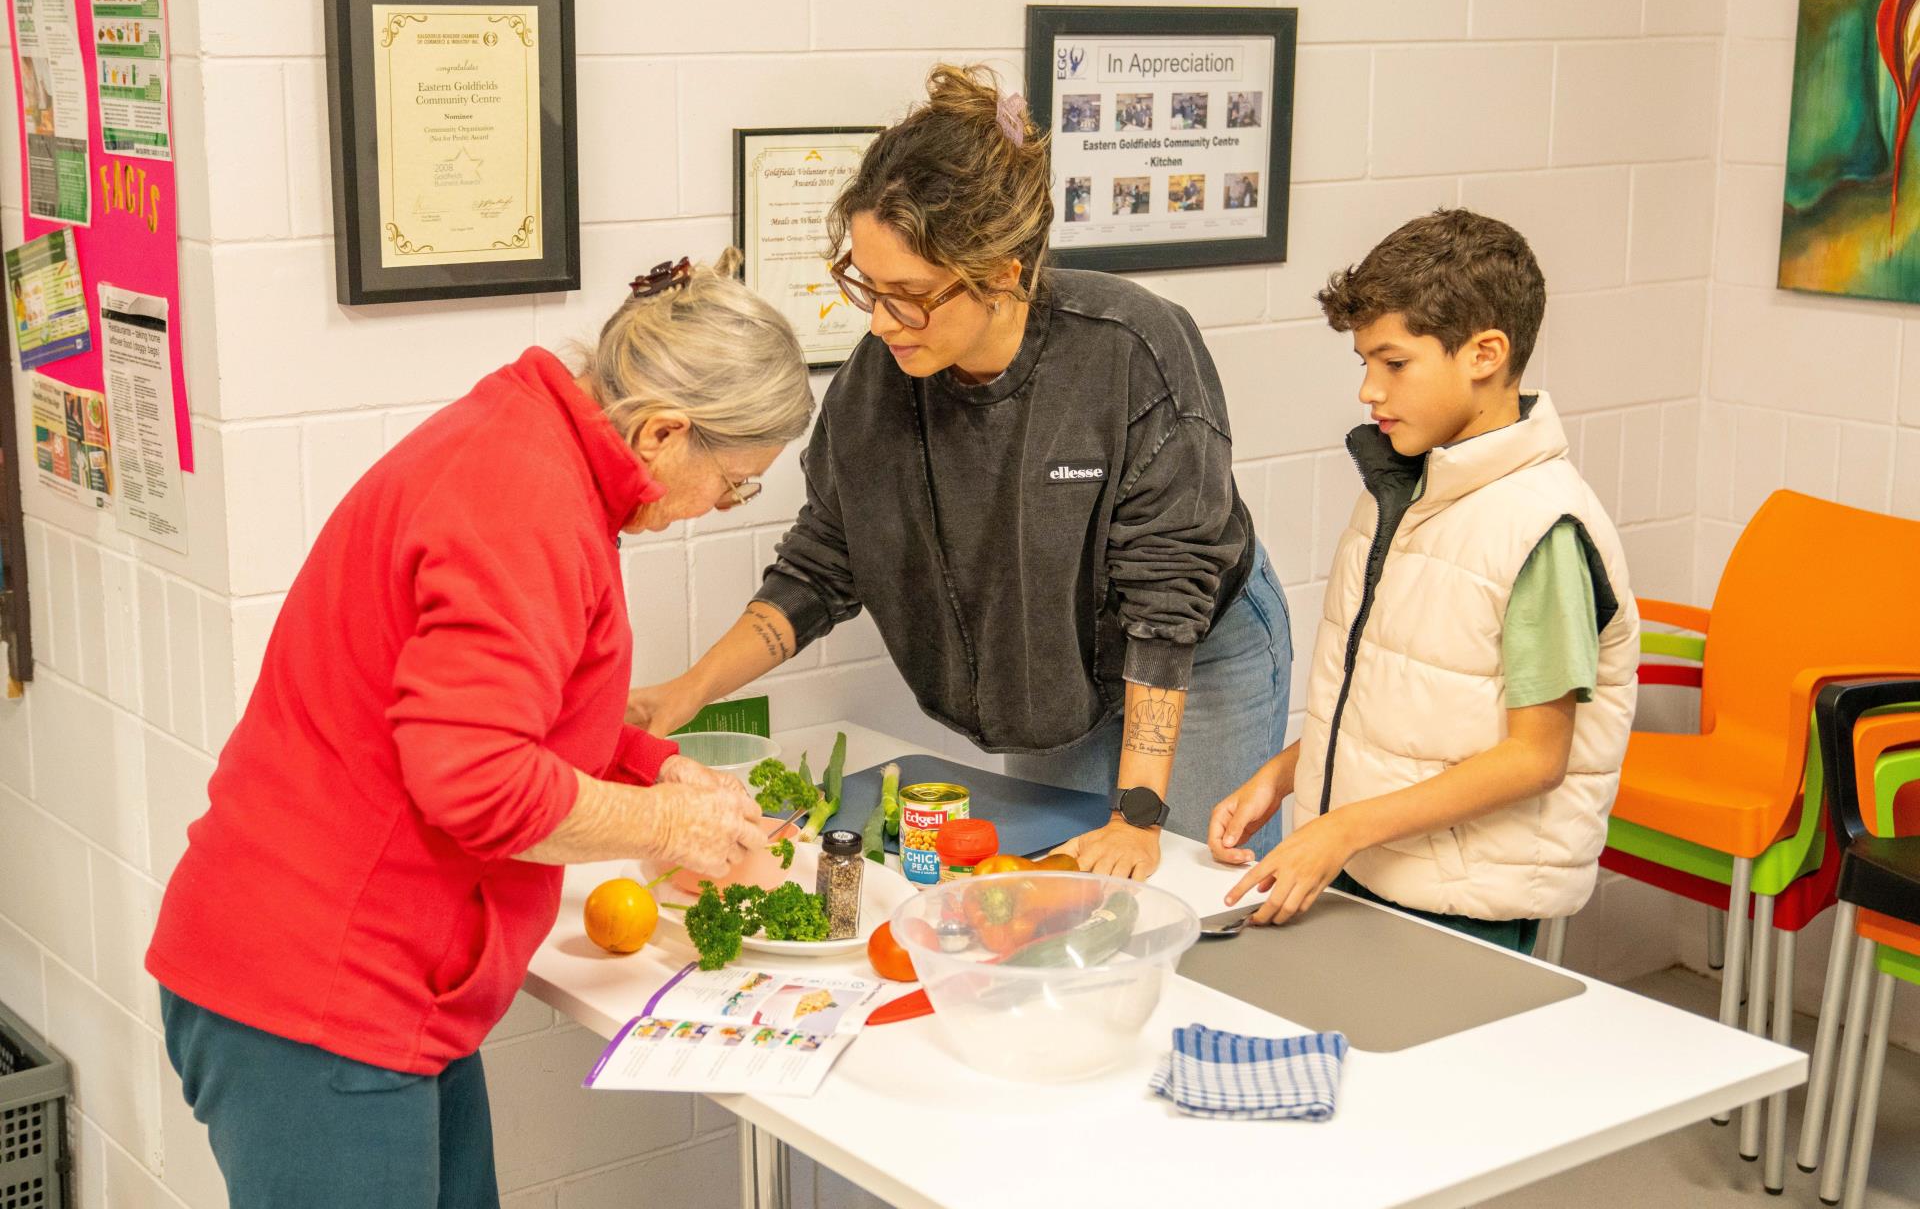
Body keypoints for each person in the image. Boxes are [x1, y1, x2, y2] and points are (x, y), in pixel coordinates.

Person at [144, 251, 811, 1207]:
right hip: (319, 993)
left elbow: (521, 707)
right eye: (735, 483)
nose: (720, 508)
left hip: (383, 992)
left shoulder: (531, 442)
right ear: (666, 431)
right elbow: (480, 781)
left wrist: (662, 770)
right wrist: (671, 830)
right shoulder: (523, 496)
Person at [630, 66, 1292, 881]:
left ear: (1002, 275)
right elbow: (824, 562)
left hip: (1193, 649)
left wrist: (1140, 815)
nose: (879, 321)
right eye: (866, 285)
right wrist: (686, 690)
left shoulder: (1131, 352)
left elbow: (1167, 596)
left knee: (1183, 890)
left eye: (907, 294)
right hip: (1055, 661)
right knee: (1057, 899)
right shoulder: (876, 385)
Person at [1207, 209, 1640, 952]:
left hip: (1462, 909)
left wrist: (1342, 828)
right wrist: (1285, 773)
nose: (1369, 390)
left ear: (1485, 353)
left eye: (1394, 362)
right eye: (1363, 363)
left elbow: (1536, 756)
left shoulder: (1543, 529)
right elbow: (1406, 706)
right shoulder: (1407, 491)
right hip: (1369, 873)